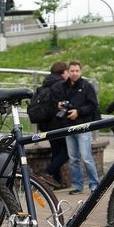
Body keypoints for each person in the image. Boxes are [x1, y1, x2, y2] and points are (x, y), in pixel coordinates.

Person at [54, 60, 100, 194]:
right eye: (72, 71)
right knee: (73, 158)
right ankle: (78, 186)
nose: (74, 73)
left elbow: (93, 105)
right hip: (68, 126)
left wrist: (78, 112)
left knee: (86, 157)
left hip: (83, 126)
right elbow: (59, 102)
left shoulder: (87, 86)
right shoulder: (63, 86)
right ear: (68, 72)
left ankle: (94, 185)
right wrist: (60, 105)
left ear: (81, 71)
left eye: (77, 71)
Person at [33, 62, 69, 190]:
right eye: (67, 72)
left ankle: (57, 181)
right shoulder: (60, 84)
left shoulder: (46, 84)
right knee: (67, 151)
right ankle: (47, 172)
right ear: (62, 72)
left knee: (56, 152)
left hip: (47, 124)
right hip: (58, 123)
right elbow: (61, 104)